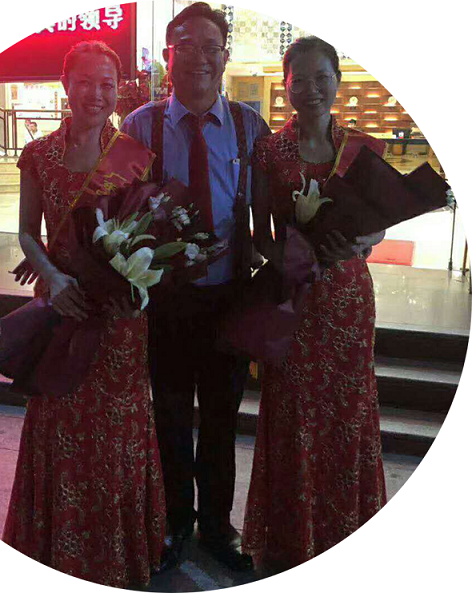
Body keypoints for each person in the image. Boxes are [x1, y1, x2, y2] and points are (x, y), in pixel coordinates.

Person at [2, 41, 167, 588]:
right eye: (85, 82)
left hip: (118, 325)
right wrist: (51, 278)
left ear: (118, 90)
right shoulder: (38, 156)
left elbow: (146, 237)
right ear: (65, 84)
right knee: (61, 427)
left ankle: (116, 556)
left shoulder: (135, 156)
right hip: (63, 311)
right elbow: (28, 232)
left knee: (117, 434)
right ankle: (58, 550)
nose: (96, 94)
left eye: (107, 84)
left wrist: (131, 286)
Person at [121, 2, 270, 572]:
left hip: (229, 296)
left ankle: (216, 526)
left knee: (222, 419)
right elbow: (120, 215)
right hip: (167, 302)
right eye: (187, 46)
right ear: (168, 55)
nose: (200, 58)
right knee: (171, 415)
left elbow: (265, 216)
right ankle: (174, 523)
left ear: (225, 57)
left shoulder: (250, 128)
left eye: (212, 47)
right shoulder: (140, 127)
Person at [242, 36, 387, 572]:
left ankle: (344, 531)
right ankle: (290, 538)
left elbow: (377, 223)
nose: (310, 88)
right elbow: (260, 233)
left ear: (337, 82)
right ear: (286, 86)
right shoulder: (269, 151)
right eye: (298, 79)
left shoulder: (360, 148)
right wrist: (287, 257)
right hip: (294, 300)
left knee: (347, 412)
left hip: (348, 299)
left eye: (321, 77)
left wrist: (363, 242)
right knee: (293, 412)